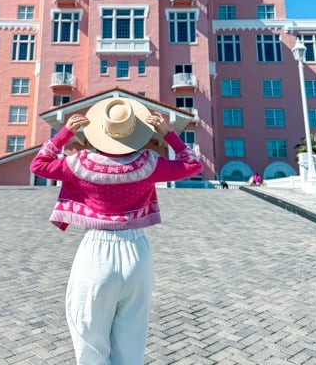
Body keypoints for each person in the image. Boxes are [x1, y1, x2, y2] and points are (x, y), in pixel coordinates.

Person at [30, 97, 203, 365]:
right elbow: (193, 165)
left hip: (96, 250)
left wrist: (64, 134)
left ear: (102, 131)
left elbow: (38, 166)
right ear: (134, 134)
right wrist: (168, 134)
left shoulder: (79, 164)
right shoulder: (149, 164)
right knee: (132, 333)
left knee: (88, 330)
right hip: (137, 250)